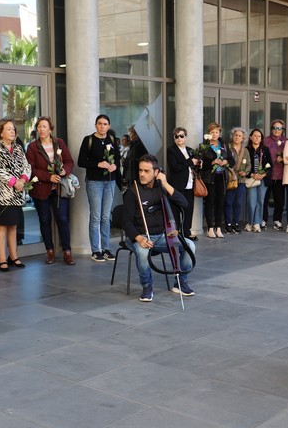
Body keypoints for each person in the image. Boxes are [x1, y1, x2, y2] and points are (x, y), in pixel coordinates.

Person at [121, 154, 195, 302]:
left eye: (147, 171)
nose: (142, 174)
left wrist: (166, 184)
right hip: (141, 236)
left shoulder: (162, 188)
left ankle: (180, 282)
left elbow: (184, 203)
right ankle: (147, 286)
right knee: (142, 252)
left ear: (156, 172)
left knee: (190, 246)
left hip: (163, 236)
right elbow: (125, 221)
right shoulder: (132, 191)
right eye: (140, 170)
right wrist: (139, 238)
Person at [26, 117, 75, 265]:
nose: (41, 129)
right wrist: (48, 177)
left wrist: (63, 171)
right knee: (45, 220)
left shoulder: (59, 143)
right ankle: (50, 251)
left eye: (44, 127)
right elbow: (31, 169)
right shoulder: (33, 147)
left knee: (62, 219)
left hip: (59, 189)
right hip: (41, 189)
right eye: (39, 127)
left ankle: (67, 251)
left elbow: (69, 161)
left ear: (50, 129)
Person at [0, 118, 31, 271]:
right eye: (9, 129)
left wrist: (23, 179)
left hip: (18, 193)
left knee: (13, 225)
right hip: (2, 194)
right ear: (0, 132)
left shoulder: (18, 148)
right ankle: (1, 259)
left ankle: (13, 256)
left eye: (13, 129)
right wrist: (14, 181)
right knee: (2, 227)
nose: (12, 132)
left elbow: (27, 165)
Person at [78, 114, 118, 262]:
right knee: (95, 216)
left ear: (109, 126)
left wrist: (115, 165)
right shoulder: (88, 140)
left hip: (110, 182)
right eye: (100, 123)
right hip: (95, 182)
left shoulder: (112, 139)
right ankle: (96, 250)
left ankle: (106, 248)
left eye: (105, 124)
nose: (102, 126)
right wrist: (97, 164)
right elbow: (81, 161)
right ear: (96, 125)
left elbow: (118, 158)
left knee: (106, 217)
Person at [165, 126, 200, 239]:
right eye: (176, 136)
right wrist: (190, 162)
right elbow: (175, 167)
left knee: (189, 209)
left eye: (181, 136)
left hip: (190, 183)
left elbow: (195, 165)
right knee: (176, 210)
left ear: (185, 137)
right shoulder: (171, 150)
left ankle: (186, 232)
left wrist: (199, 163)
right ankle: (176, 233)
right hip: (177, 184)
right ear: (174, 138)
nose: (179, 138)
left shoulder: (190, 150)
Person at [200, 122, 231, 238]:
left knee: (220, 202)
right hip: (210, 177)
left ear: (220, 133)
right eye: (212, 132)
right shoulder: (204, 146)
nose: (214, 134)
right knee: (210, 202)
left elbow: (231, 160)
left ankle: (218, 227)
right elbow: (201, 165)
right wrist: (212, 162)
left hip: (222, 176)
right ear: (209, 133)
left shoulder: (224, 144)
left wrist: (226, 162)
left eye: (216, 132)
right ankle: (210, 228)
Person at [243, 128, 272, 232]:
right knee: (251, 201)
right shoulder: (246, 149)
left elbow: (270, 166)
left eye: (259, 136)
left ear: (261, 138)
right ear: (251, 137)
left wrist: (263, 174)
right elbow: (244, 165)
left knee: (260, 201)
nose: (257, 138)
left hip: (263, 179)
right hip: (251, 179)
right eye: (255, 136)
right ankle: (250, 222)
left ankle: (257, 223)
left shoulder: (265, 149)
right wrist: (252, 174)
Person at [225, 127, 249, 233]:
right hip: (230, 179)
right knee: (228, 202)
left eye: (239, 135)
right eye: (235, 135)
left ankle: (236, 223)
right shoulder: (227, 148)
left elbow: (249, 165)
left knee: (238, 203)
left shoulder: (245, 150)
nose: (237, 137)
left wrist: (245, 172)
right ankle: (228, 223)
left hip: (241, 180)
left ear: (243, 138)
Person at [263, 120, 287, 228]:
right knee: (265, 199)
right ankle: (263, 219)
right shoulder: (266, 140)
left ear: (282, 130)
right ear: (271, 128)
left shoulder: (287, 141)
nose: (277, 130)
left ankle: (277, 220)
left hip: (281, 174)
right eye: (275, 128)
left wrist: (283, 158)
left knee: (279, 200)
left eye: (279, 128)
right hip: (267, 174)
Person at [116, 125, 148, 196]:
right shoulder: (133, 145)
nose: (129, 136)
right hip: (130, 176)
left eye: (131, 133)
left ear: (136, 134)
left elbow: (133, 160)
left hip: (134, 176)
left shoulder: (138, 145)